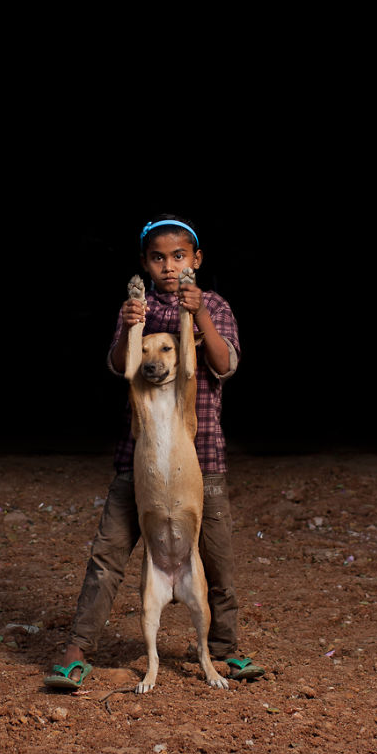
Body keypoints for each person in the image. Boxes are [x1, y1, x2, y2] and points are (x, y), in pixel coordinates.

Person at [44, 215, 264, 690]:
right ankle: (77, 651)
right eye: (158, 258)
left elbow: (224, 364)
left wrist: (199, 313)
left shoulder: (214, 305)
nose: (169, 266)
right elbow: (120, 365)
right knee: (107, 556)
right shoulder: (136, 310)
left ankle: (225, 651)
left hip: (202, 460)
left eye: (178, 256)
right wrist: (130, 326)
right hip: (138, 459)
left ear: (196, 259)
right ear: (145, 263)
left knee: (217, 559)